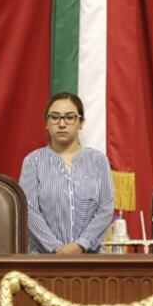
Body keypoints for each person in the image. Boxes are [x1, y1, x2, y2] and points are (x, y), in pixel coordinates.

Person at [20, 91, 115, 254]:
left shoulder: (98, 161)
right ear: (47, 123)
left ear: (81, 122)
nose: (62, 124)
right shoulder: (33, 161)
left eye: (70, 117)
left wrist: (81, 245)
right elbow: (29, 211)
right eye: (55, 117)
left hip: (89, 257)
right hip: (44, 258)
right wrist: (56, 249)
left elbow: (105, 208)